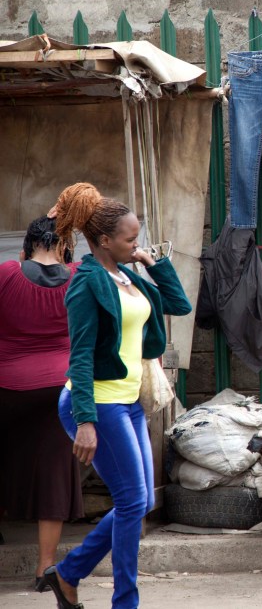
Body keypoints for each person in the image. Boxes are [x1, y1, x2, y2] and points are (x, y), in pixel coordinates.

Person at [42, 183, 192, 609]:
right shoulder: (87, 283)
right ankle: (125, 601)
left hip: (128, 402)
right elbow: (80, 356)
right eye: (130, 239)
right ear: (104, 240)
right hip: (97, 404)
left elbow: (179, 304)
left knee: (142, 500)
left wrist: (150, 262)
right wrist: (85, 421)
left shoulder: (127, 276)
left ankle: (67, 573)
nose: (136, 245)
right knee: (131, 503)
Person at [0, 217, 84, 590]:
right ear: (66, 248)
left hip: (7, 385)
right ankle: (45, 568)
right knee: (53, 472)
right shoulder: (79, 276)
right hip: (60, 389)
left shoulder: (6, 274)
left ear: (25, 249)